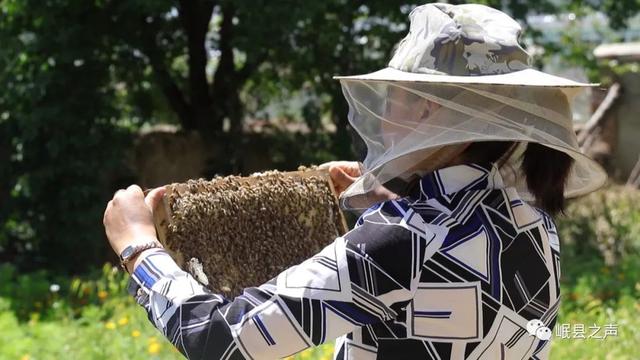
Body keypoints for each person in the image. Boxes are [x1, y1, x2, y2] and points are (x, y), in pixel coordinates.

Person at [103, 3, 606, 359]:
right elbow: (429, 288)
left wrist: (140, 250)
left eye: (392, 98)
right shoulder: (532, 221)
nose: (383, 117)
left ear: (428, 106)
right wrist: (364, 204)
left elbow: (220, 340)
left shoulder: (401, 239)